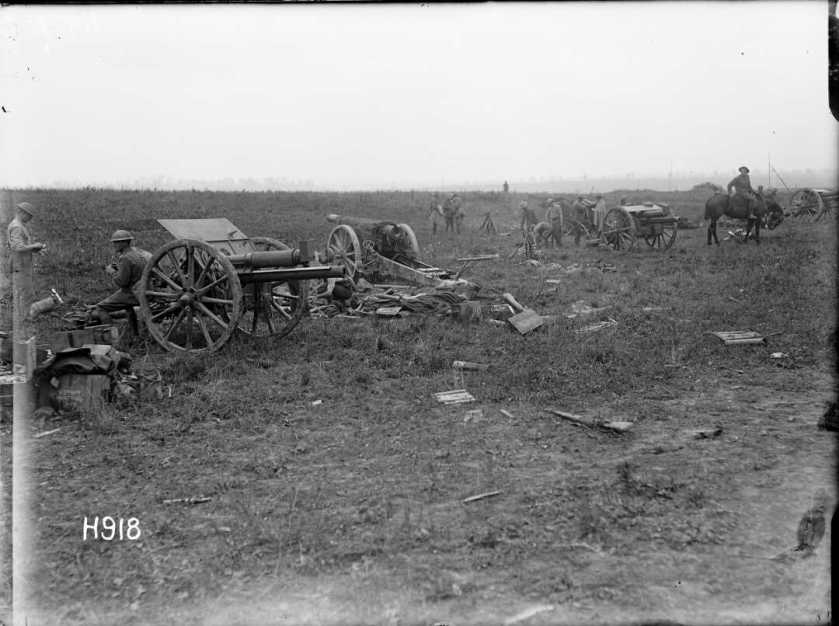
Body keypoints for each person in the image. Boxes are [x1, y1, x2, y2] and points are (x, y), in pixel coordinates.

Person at [90, 230, 151, 334]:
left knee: (101, 308)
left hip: (133, 292)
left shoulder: (126, 258)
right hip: (148, 288)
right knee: (127, 306)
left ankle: (111, 337)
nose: (114, 245)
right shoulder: (140, 253)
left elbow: (122, 282)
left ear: (124, 242)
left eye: (116, 242)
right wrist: (120, 270)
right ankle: (134, 334)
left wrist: (112, 272)